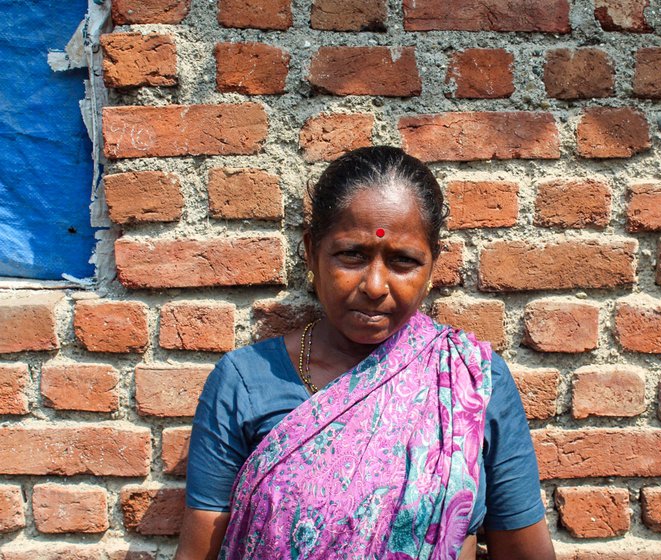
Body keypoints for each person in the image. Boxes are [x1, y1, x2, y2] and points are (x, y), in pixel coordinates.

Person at [174, 146, 554, 560]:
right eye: (352, 255)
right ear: (310, 253)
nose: (375, 285)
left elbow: (524, 551)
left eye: (403, 261)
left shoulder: (471, 379)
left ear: (432, 266)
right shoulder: (245, 381)